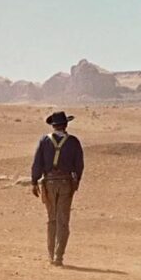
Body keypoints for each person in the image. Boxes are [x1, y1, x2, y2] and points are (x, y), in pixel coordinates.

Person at [31, 111, 84, 266]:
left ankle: (50, 255)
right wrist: (76, 182)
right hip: (66, 183)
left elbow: (37, 163)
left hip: (48, 183)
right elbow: (79, 165)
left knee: (52, 219)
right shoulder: (73, 141)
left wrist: (34, 181)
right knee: (63, 220)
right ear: (66, 125)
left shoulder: (44, 141)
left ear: (53, 126)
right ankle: (58, 257)